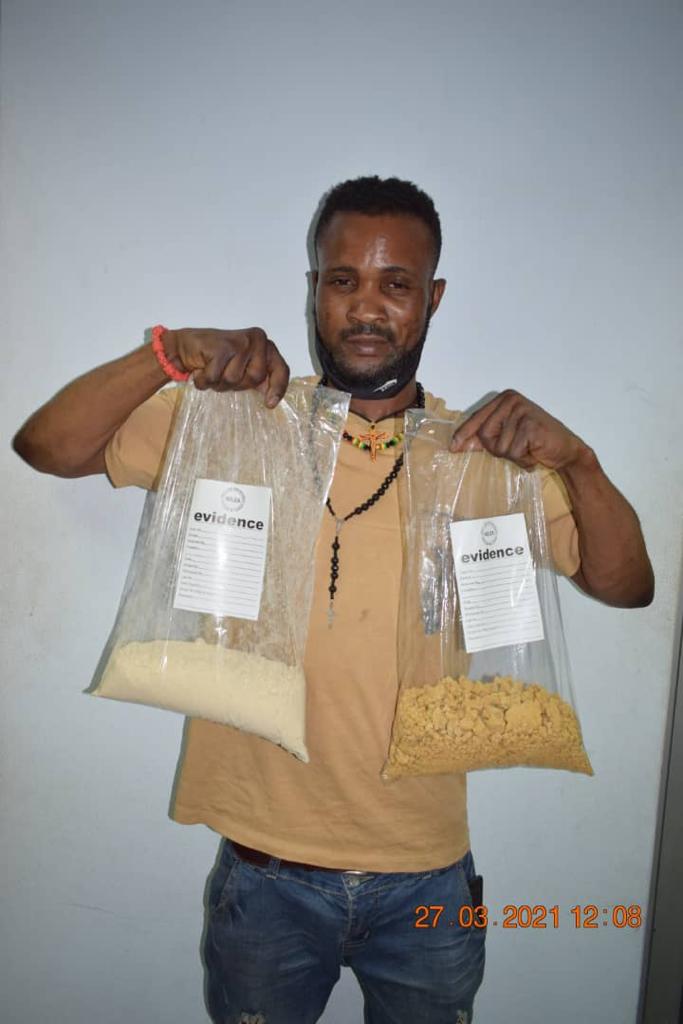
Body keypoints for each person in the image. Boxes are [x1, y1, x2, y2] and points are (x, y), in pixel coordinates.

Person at [12, 175, 654, 1024]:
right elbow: (46, 447)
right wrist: (169, 354)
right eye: (342, 279)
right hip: (263, 878)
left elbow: (626, 587)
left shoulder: (485, 458)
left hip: (429, 880)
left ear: (432, 298)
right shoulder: (237, 423)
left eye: (396, 284)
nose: (365, 307)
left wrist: (579, 463)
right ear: (313, 288)